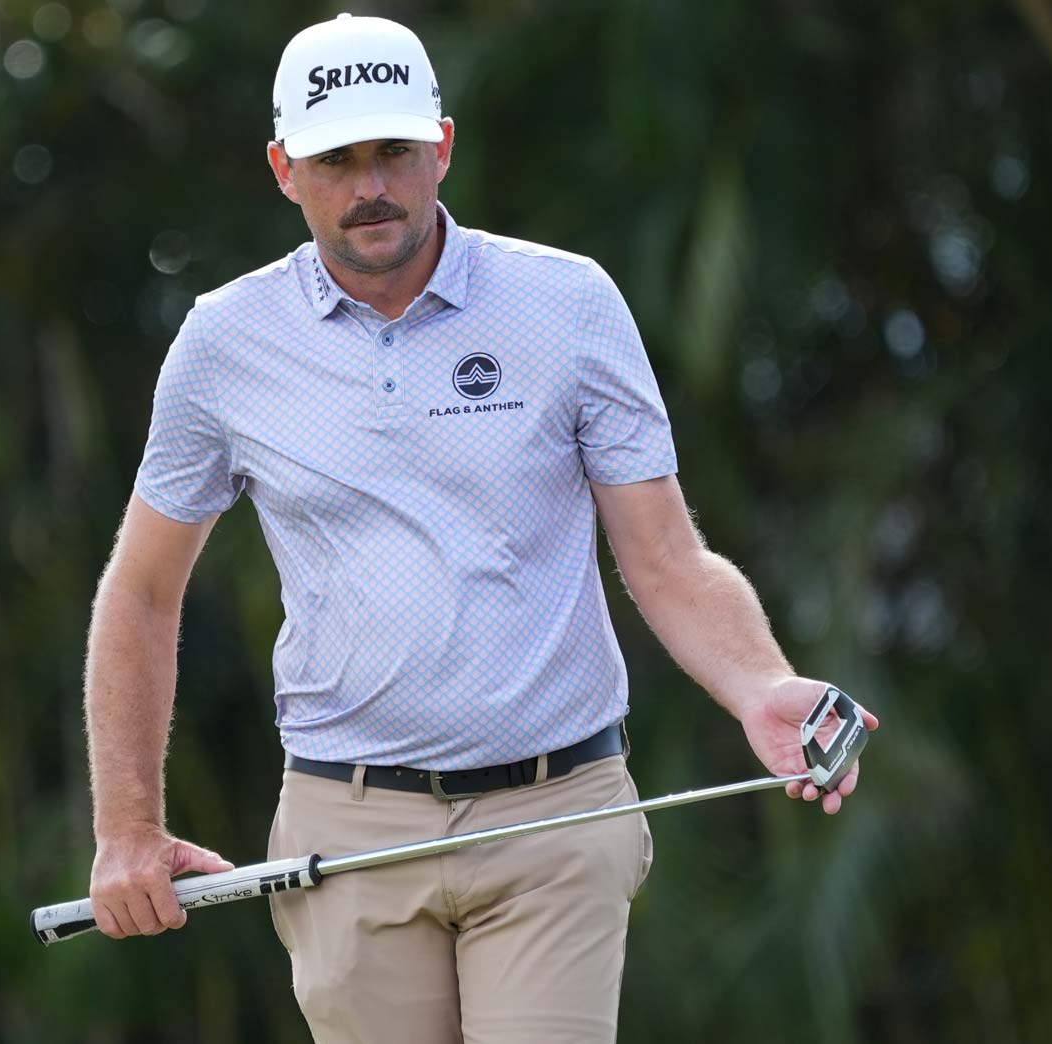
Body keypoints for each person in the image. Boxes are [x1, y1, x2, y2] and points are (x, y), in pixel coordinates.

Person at [82, 12, 879, 1043]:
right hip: (345, 824)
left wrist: (761, 685)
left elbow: (665, 557)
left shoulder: (566, 304)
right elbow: (142, 589)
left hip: (556, 812)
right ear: (283, 169)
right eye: (336, 159)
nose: (369, 184)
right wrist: (126, 830)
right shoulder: (224, 344)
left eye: (394, 152)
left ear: (441, 147)